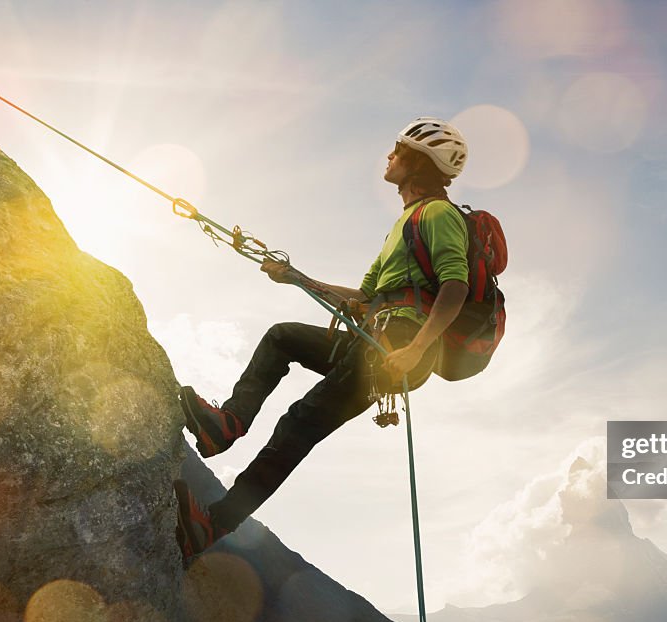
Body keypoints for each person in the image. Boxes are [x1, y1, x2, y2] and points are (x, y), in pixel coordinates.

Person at [173, 117, 471, 563]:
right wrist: (296, 278)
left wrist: (416, 349)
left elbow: (455, 288)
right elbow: (365, 297)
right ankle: (226, 425)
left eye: (398, 151)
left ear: (418, 162)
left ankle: (213, 525)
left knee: (298, 424)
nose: (389, 157)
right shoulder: (404, 224)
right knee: (282, 338)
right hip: (374, 338)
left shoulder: (438, 215)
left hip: (398, 348)